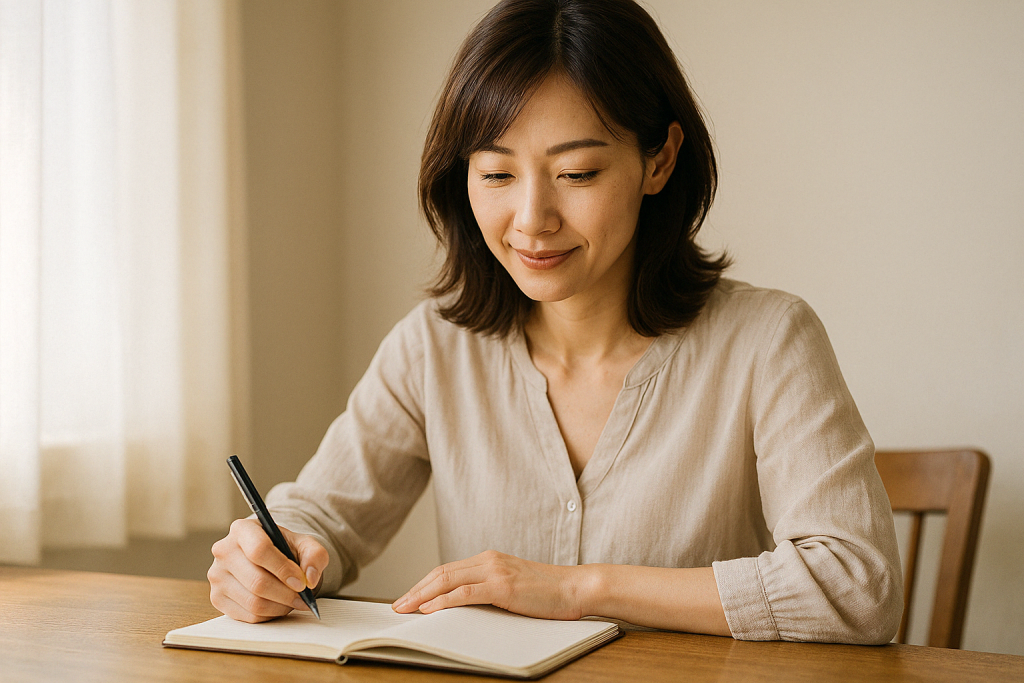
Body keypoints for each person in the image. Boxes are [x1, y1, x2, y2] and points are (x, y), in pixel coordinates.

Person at [208, 0, 903, 644]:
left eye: (576, 174)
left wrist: (576, 588)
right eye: (497, 174)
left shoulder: (768, 339)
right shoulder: (433, 347)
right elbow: (323, 518)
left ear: (658, 160)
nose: (533, 220)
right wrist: (272, 555)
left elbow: (856, 586)